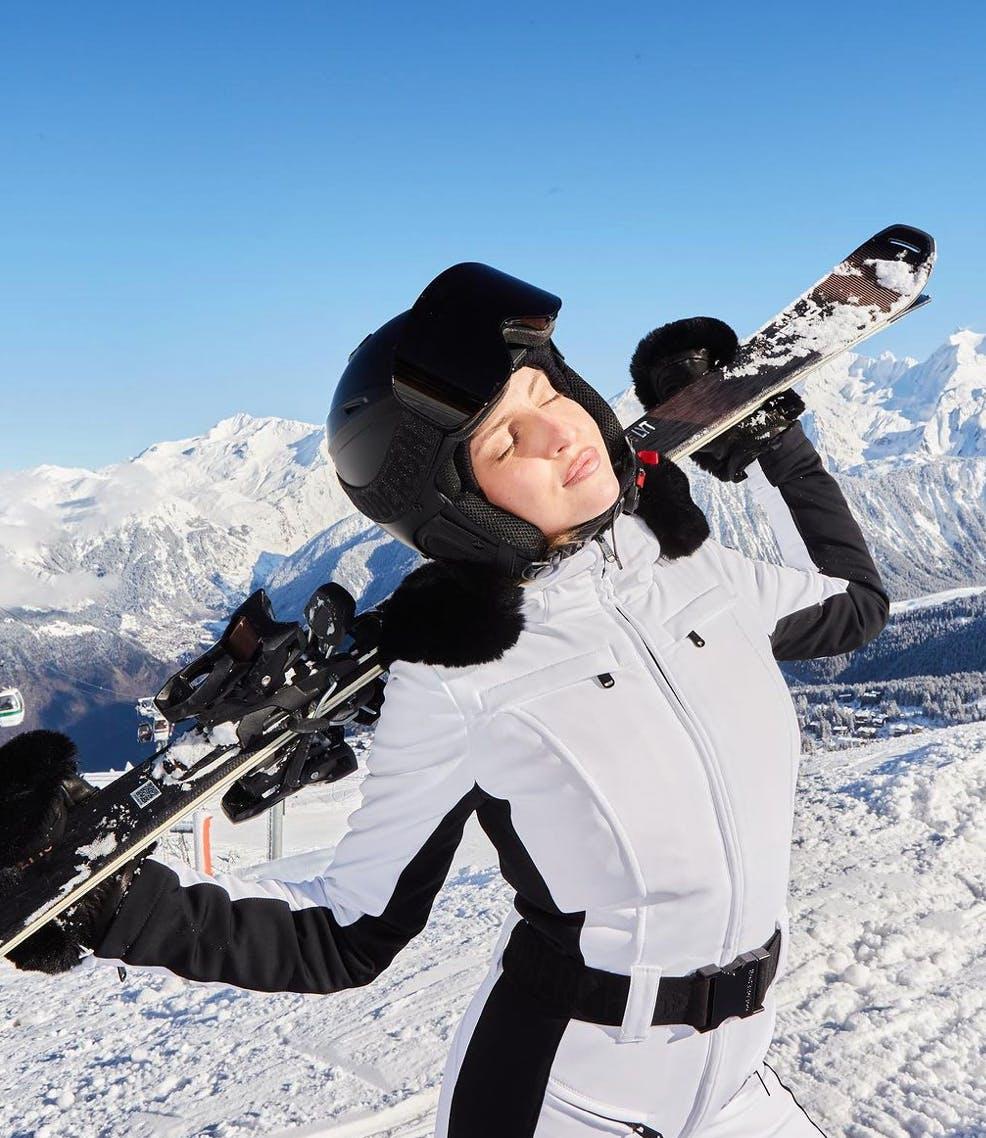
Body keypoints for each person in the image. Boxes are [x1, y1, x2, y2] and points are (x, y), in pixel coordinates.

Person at [7, 263, 888, 1137]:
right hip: (560, 1099)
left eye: (547, 390)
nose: (554, 432)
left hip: (738, 1084)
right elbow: (343, 934)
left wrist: (773, 438)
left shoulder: (695, 569)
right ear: (460, 507)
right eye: (503, 442)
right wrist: (113, 909)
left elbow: (854, 607)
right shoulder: (457, 676)